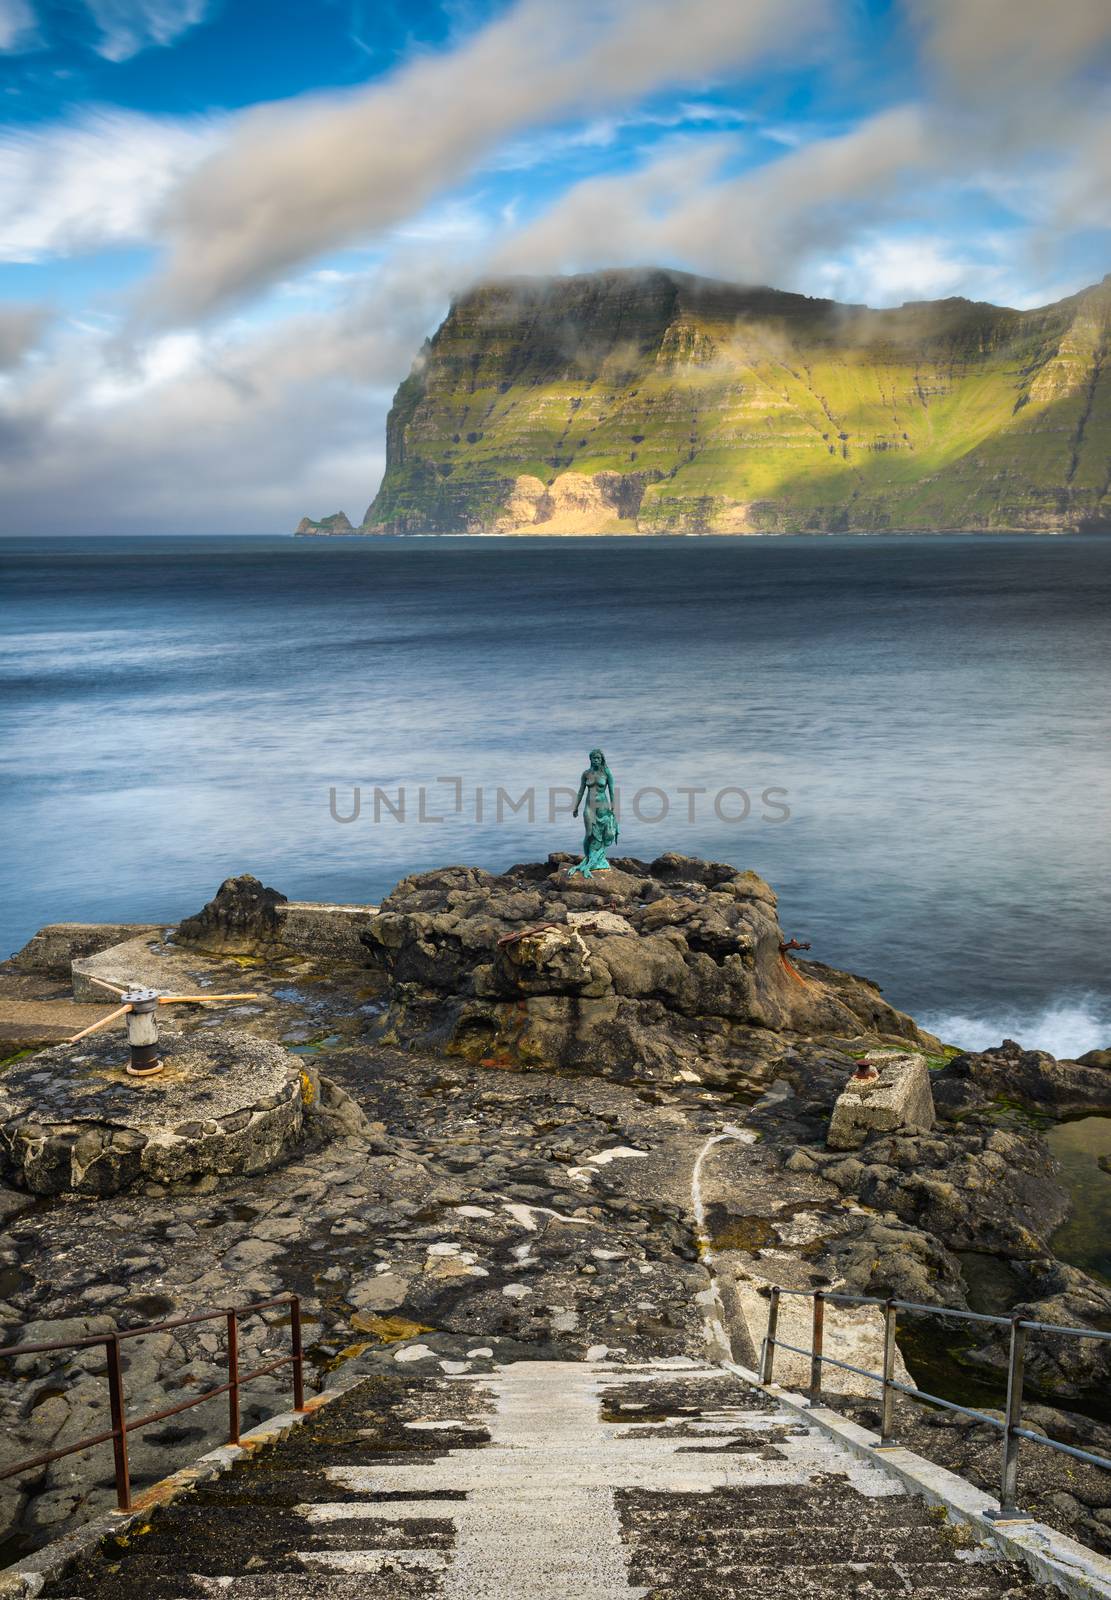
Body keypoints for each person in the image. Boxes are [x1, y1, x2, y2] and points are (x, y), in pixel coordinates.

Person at [569, 748, 618, 877]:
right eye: (594, 758)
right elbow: (580, 791)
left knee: (602, 835)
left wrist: (613, 806)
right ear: (590, 759)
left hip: (603, 807)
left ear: (602, 760)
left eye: (598, 758)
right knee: (589, 833)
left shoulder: (606, 773)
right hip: (589, 807)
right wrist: (575, 807)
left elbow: (612, 791)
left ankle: (598, 859)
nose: (596, 760)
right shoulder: (586, 774)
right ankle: (588, 857)